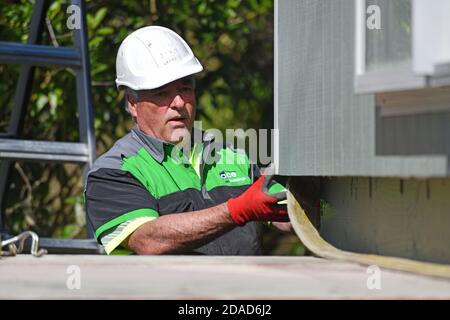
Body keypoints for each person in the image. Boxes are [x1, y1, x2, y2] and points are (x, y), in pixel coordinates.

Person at [85, 26, 290, 255]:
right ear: (133, 103)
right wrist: (239, 209)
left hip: (245, 290)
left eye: (185, 89)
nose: (179, 103)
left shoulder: (231, 155)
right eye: (161, 93)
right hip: (170, 291)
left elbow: (286, 214)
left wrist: (310, 200)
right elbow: (148, 240)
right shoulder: (114, 170)